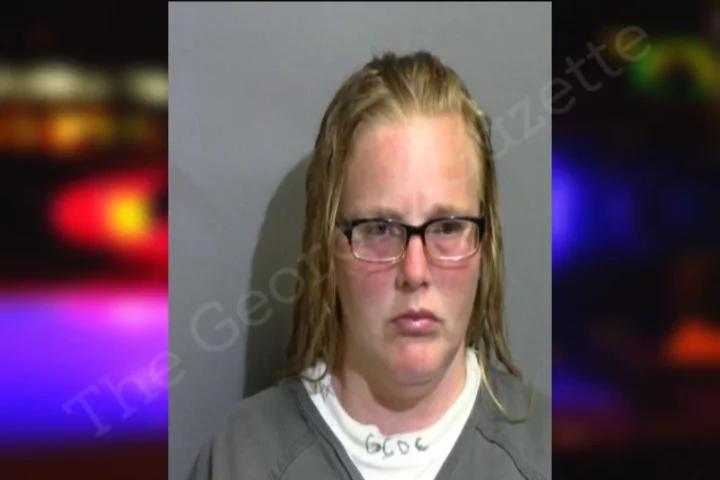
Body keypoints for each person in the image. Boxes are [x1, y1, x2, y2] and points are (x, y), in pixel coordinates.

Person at [188, 50, 549, 480]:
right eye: (380, 229)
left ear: (485, 243)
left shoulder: (548, 453)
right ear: (328, 247)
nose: (415, 272)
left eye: (448, 227)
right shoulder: (239, 461)